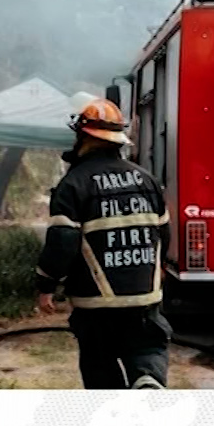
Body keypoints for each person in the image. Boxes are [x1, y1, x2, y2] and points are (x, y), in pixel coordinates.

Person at [32, 98, 173, 390]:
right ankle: (147, 379)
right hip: (144, 296)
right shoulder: (146, 180)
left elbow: (63, 241)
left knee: (99, 359)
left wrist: (46, 286)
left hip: (95, 302)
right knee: (146, 347)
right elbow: (164, 231)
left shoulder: (73, 184)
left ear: (83, 136)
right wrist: (158, 266)